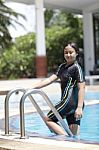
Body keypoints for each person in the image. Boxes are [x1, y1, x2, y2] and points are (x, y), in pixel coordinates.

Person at [33, 42, 85, 136]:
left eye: (71, 52)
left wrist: (79, 108)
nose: (68, 55)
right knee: (74, 134)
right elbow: (49, 80)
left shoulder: (77, 68)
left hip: (68, 103)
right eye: (66, 52)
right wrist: (33, 87)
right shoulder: (62, 67)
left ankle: (65, 138)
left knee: (48, 119)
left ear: (76, 53)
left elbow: (82, 88)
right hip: (72, 104)